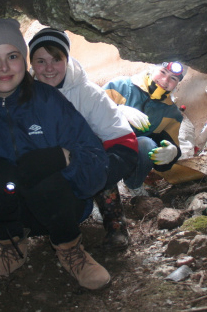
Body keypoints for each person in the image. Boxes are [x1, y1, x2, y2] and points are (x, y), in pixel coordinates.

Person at [0, 18, 111, 290]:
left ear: (22, 60)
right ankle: (12, 249)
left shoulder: (48, 100)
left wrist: (64, 158)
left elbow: (95, 158)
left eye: (13, 56)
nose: (4, 67)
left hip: (59, 208)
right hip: (8, 212)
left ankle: (70, 250)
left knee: (42, 170)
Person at [28, 27, 142, 251]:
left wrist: (97, 171)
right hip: (49, 163)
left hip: (86, 160)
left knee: (98, 161)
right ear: (31, 63)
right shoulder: (24, 95)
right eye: (41, 61)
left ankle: (115, 224)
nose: (49, 68)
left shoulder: (88, 94)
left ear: (67, 59)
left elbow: (121, 138)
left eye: (56, 59)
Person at [103, 61, 186, 192]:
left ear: (177, 83)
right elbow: (89, 111)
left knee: (147, 144)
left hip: (131, 151)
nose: (165, 80)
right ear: (152, 69)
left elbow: (170, 143)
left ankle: (133, 186)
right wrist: (118, 109)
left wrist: (173, 153)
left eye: (173, 78)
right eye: (163, 72)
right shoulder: (120, 86)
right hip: (103, 144)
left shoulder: (171, 113)